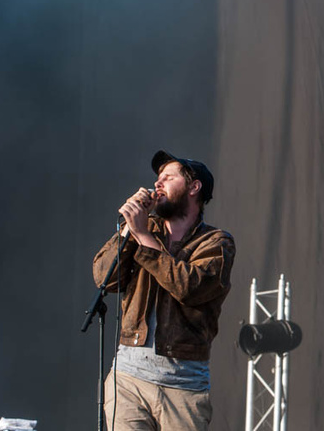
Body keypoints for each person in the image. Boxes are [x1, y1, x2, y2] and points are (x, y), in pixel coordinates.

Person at [93, 150, 236, 431]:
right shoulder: (141, 229)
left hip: (183, 387)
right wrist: (130, 231)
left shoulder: (216, 243)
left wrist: (143, 236)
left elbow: (188, 287)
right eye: (157, 179)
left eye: (168, 178)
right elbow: (104, 279)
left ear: (194, 188)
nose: (158, 184)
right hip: (128, 380)